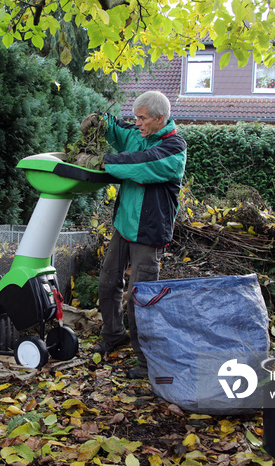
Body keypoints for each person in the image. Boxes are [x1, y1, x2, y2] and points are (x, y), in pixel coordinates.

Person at [85, 90, 187, 379]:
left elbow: (141, 164)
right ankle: (113, 333)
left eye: (142, 118)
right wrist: (101, 122)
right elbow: (121, 130)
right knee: (107, 284)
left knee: (140, 298)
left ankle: (146, 361)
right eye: (136, 116)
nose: (137, 122)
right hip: (124, 227)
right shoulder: (139, 132)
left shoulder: (173, 148)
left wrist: (101, 161)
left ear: (159, 118)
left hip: (149, 233)